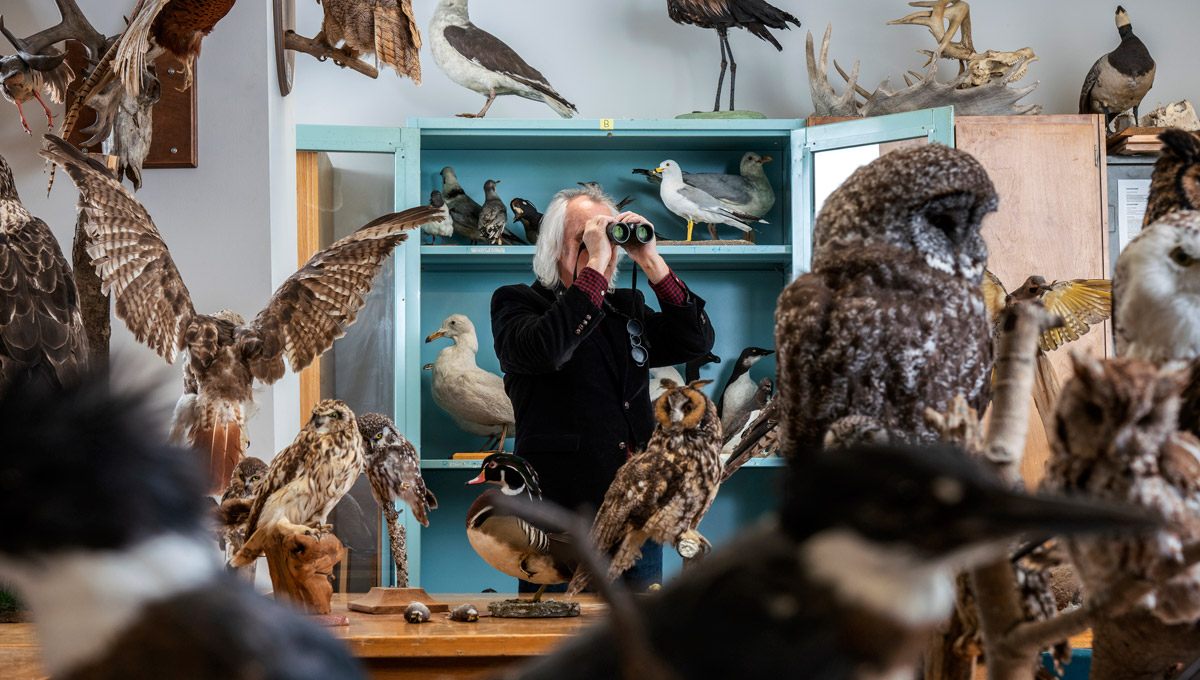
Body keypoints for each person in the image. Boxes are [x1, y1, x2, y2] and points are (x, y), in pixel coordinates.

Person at [491, 184, 716, 592]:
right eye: (586, 239)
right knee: (554, 640)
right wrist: (596, 264)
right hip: (560, 517)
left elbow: (695, 343)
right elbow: (546, 351)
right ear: (556, 247)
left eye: (607, 237)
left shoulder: (624, 307)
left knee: (635, 641)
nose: (604, 249)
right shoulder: (516, 304)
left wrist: (650, 260)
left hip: (636, 514)